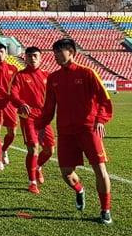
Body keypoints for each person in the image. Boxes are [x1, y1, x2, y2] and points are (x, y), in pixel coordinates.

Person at [37, 38, 114, 225]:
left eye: (59, 51)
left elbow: (105, 99)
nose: (55, 55)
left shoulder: (88, 73)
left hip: (88, 129)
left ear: (71, 52)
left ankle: (105, 210)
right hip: (65, 132)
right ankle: (79, 190)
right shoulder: (53, 78)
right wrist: (41, 126)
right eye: (54, 52)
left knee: (100, 169)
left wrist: (101, 120)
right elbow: (49, 107)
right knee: (66, 173)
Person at [9, 46, 54, 194]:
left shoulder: (47, 76)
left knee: (49, 150)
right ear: (25, 58)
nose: (32, 58)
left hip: (44, 117)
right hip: (28, 117)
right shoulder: (20, 76)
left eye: (35, 55)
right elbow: (13, 94)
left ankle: (38, 167)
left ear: (40, 58)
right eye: (29, 56)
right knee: (33, 148)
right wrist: (21, 103)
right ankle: (32, 182)